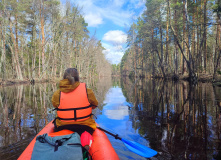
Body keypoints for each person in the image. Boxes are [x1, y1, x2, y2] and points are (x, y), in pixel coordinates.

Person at [51, 68, 98, 151]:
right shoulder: (88, 91)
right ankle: (85, 141)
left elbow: (55, 105)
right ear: (77, 78)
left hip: (63, 127)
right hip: (85, 127)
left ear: (64, 77)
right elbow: (94, 105)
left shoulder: (57, 94)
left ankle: (63, 144)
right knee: (86, 132)